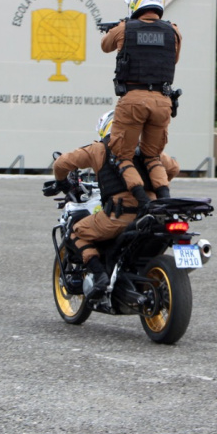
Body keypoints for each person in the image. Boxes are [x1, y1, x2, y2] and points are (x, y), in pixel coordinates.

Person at [46, 110, 180, 299]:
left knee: (75, 231)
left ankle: (99, 275)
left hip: (119, 217)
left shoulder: (100, 149)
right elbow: (173, 168)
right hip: (153, 214)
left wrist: (62, 182)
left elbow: (61, 163)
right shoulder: (149, 150)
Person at [101, 0, 182, 208]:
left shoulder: (124, 28)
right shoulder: (173, 31)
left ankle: (144, 203)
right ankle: (165, 201)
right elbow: (172, 59)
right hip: (162, 101)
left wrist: (118, 27)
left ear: (136, 2)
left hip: (134, 100)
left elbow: (105, 45)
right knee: (152, 156)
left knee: (123, 155)